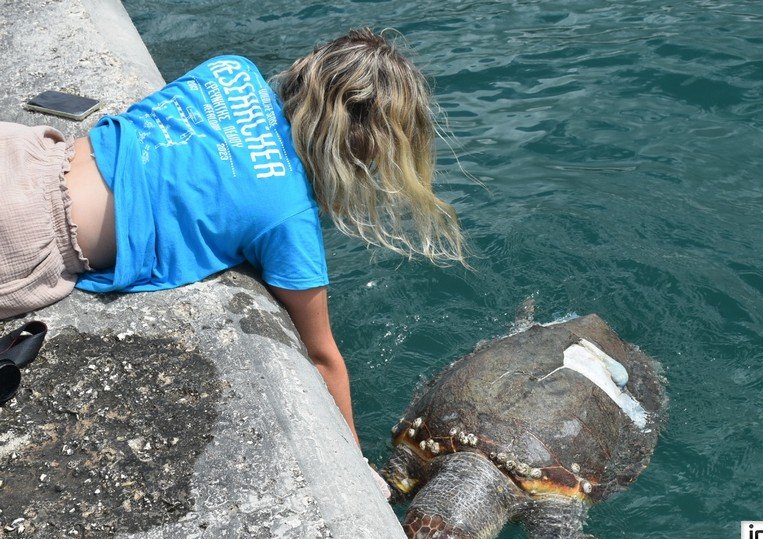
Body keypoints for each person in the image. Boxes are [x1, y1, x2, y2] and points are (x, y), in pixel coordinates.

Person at [0, 29, 465, 497]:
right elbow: (323, 359)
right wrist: (360, 472)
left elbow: (192, 162)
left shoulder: (231, 69)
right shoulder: (287, 217)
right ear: (364, 147)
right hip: (28, 234)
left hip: (26, 151)